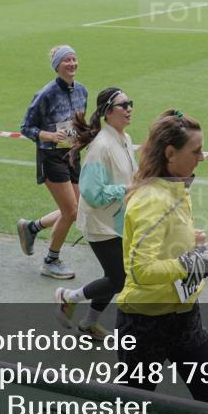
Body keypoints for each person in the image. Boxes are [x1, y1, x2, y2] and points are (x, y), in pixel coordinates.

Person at [115, 109, 208, 405]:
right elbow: (140, 270)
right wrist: (198, 262)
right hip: (145, 325)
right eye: (196, 150)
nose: (201, 157)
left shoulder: (177, 187)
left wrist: (191, 243)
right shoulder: (152, 199)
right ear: (170, 153)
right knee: (129, 413)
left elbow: (163, 243)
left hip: (186, 317)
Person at [55, 87, 137, 339]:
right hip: (100, 224)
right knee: (118, 278)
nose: (129, 109)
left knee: (116, 275)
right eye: (124, 105)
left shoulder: (125, 138)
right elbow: (92, 193)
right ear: (108, 112)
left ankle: (88, 323)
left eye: (130, 103)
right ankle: (68, 297)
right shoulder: (101, 147)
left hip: (118, 221)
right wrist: (126, 188)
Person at [18, 45, 88, 280]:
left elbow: (79, 124)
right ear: (57, 66)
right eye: (66, 60)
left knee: (76, 211)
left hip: (72, 154)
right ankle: (51, 260)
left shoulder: (82, 91)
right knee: (70, 211)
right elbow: (26, 127)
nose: (72, 64)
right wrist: (49, 136)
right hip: (51, 156)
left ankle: (32, 227)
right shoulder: (46, 94)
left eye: (74, 59)